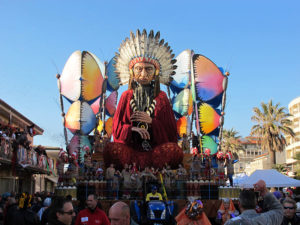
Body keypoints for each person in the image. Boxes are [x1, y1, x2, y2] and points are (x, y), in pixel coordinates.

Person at [104, 29, 183, 169]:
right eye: (139, 69)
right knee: (111, 149)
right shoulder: (126, 96)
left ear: (156, 72)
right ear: (132, 72)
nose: (143, 74)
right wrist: (132, 129)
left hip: (156, 153)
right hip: (131, 152)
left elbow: (171, 134)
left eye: (148, 69)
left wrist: (152, 122)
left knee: (174, 151)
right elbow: (116, 131)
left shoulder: (162, 97)